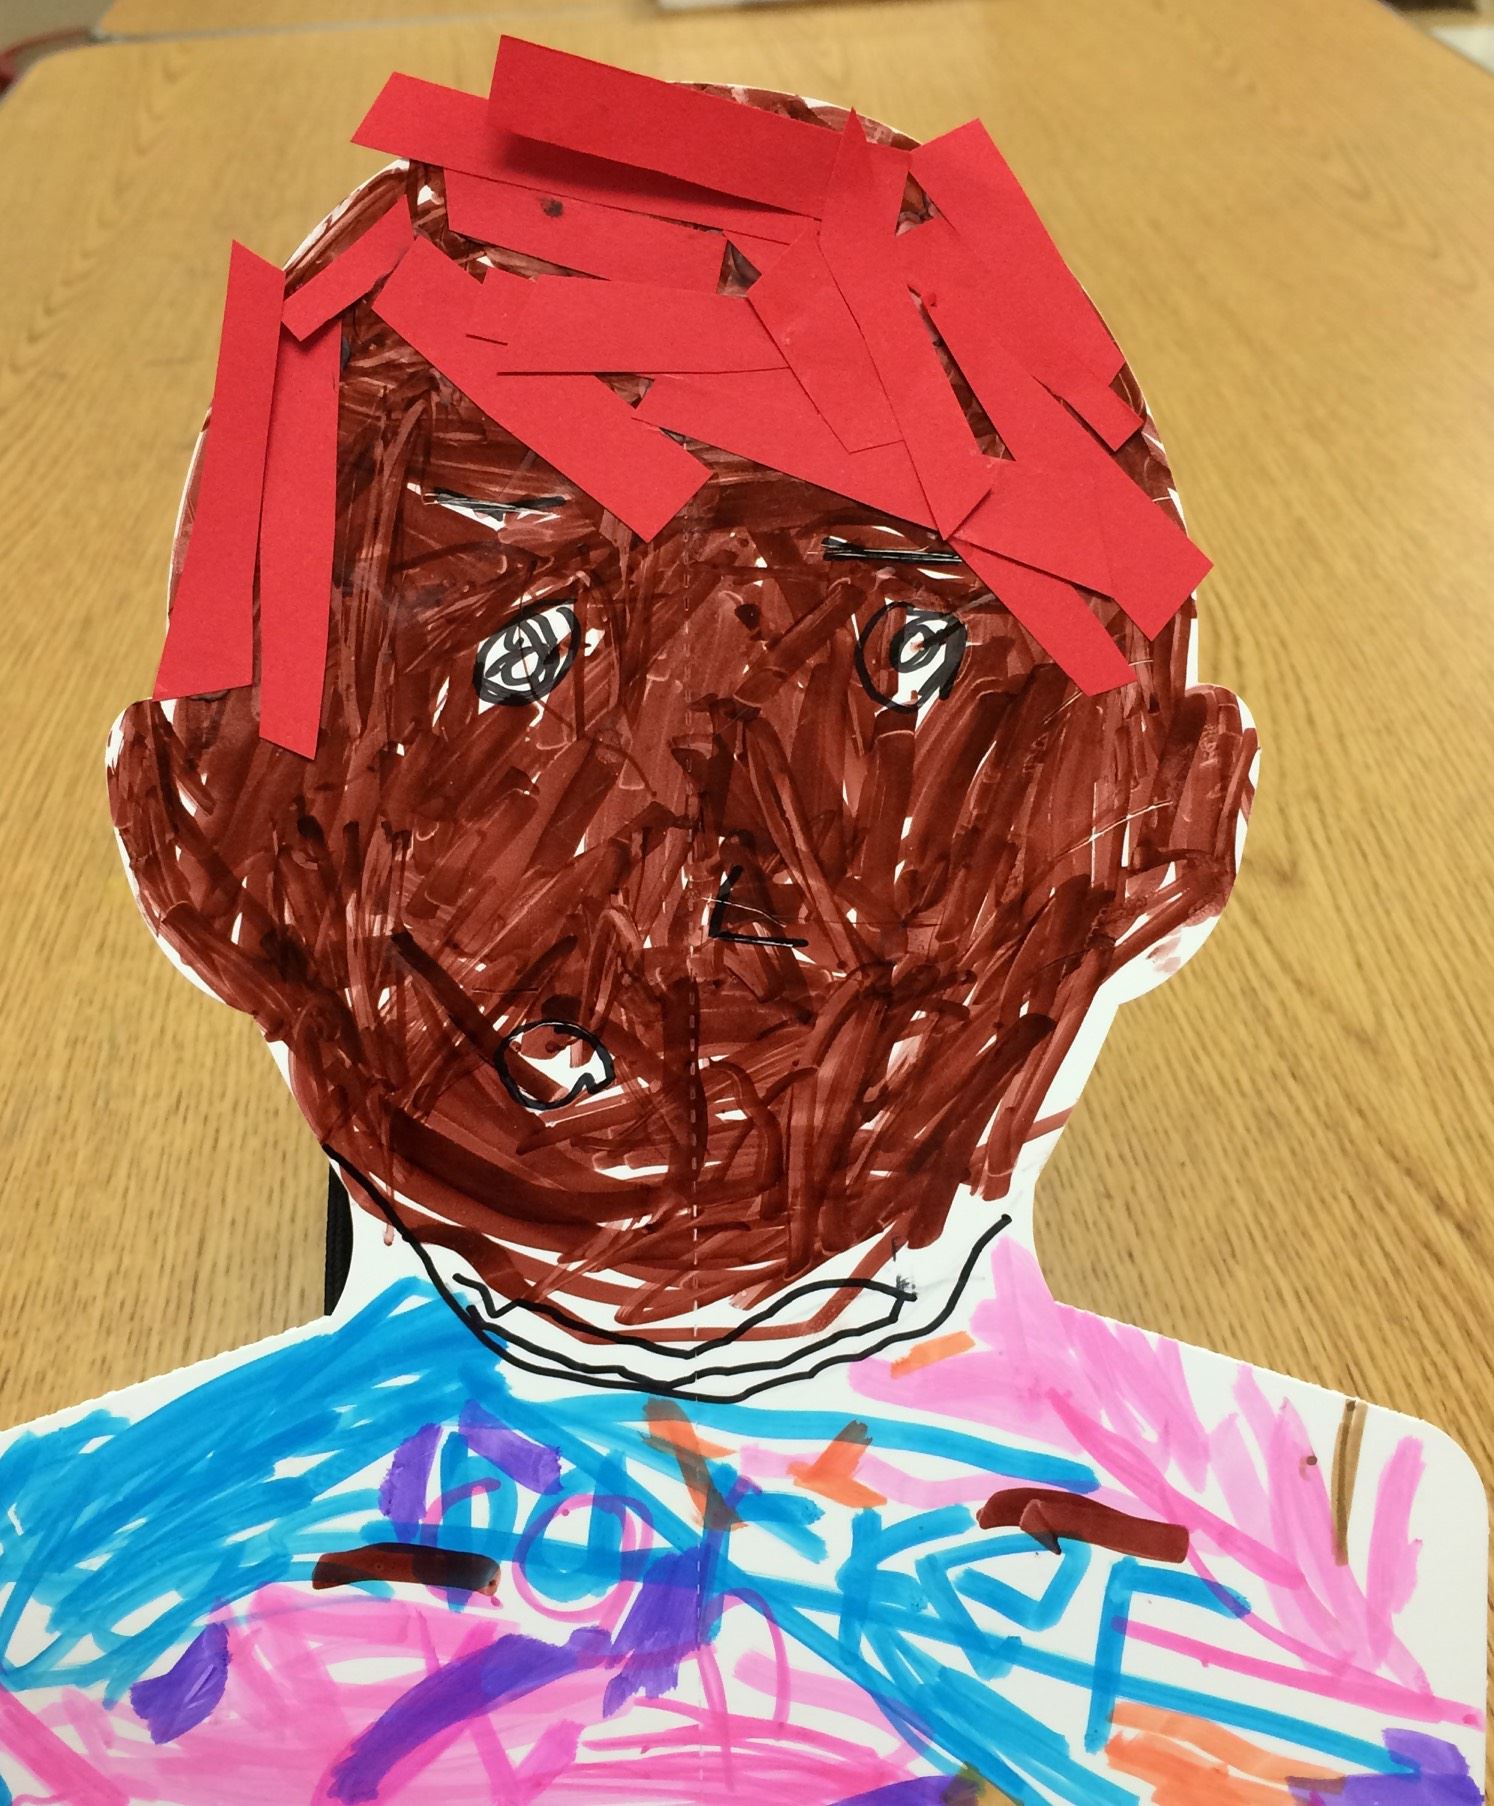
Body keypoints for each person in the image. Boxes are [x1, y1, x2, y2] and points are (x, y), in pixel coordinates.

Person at [0, 54, 1481, 1806]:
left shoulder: (1363, 1588)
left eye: (897, 664)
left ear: (1164, 818)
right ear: (206, 845)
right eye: (519, 667)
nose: (693, 852)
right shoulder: (58, 1636)